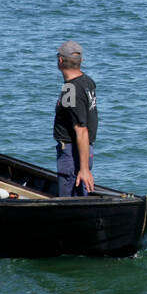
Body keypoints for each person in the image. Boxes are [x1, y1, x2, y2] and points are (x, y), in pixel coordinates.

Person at [53, 40, 97, 196]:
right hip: (85, 150)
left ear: (60, 61)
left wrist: (84, 170)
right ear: (81, 61)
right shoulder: (87, 82)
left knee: (69, 197)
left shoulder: (70, 90)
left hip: (72, 153)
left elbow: (82, 130)